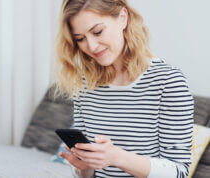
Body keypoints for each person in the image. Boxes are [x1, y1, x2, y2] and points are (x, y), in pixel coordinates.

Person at [53, 0, 194, 178]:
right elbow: (90, 173)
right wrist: (84, 168)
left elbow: (179, 172)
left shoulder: (168, 81)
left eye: (97, 32)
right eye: (80, 39)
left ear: (122, 18)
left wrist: (116, 157)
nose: (91, 46)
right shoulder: (84, 83)